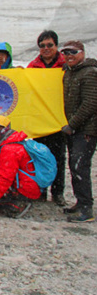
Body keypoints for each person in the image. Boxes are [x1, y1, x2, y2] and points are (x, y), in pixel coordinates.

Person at [27, 30, 67, 205]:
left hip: (59, 119)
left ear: (56, 46)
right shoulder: (33, 66)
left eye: (49, 45)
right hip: (39, 119)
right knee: (39, 155)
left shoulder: (65, 65)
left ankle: (58, 192)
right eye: (42, 46)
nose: (46, 48)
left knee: (59, 156)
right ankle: (41, 190)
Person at [0, 115, 41, 219]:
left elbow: (5, 179)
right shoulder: (11, 142)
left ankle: (16, 205)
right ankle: (18, 199)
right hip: (27, 184)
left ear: (5, 129)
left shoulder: (9, 149)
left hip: (25, 187)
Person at [60, 40, 97, 222]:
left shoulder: (90, 73)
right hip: (74, 130)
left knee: (79, 166)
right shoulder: (69, 73)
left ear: (82, 53)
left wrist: (72, 124)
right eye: (66, 53)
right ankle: (80, 202)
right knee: (74, 166)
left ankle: (86, 208)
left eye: (73, 52)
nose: (69, 56)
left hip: (86, 130)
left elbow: (90, 103)